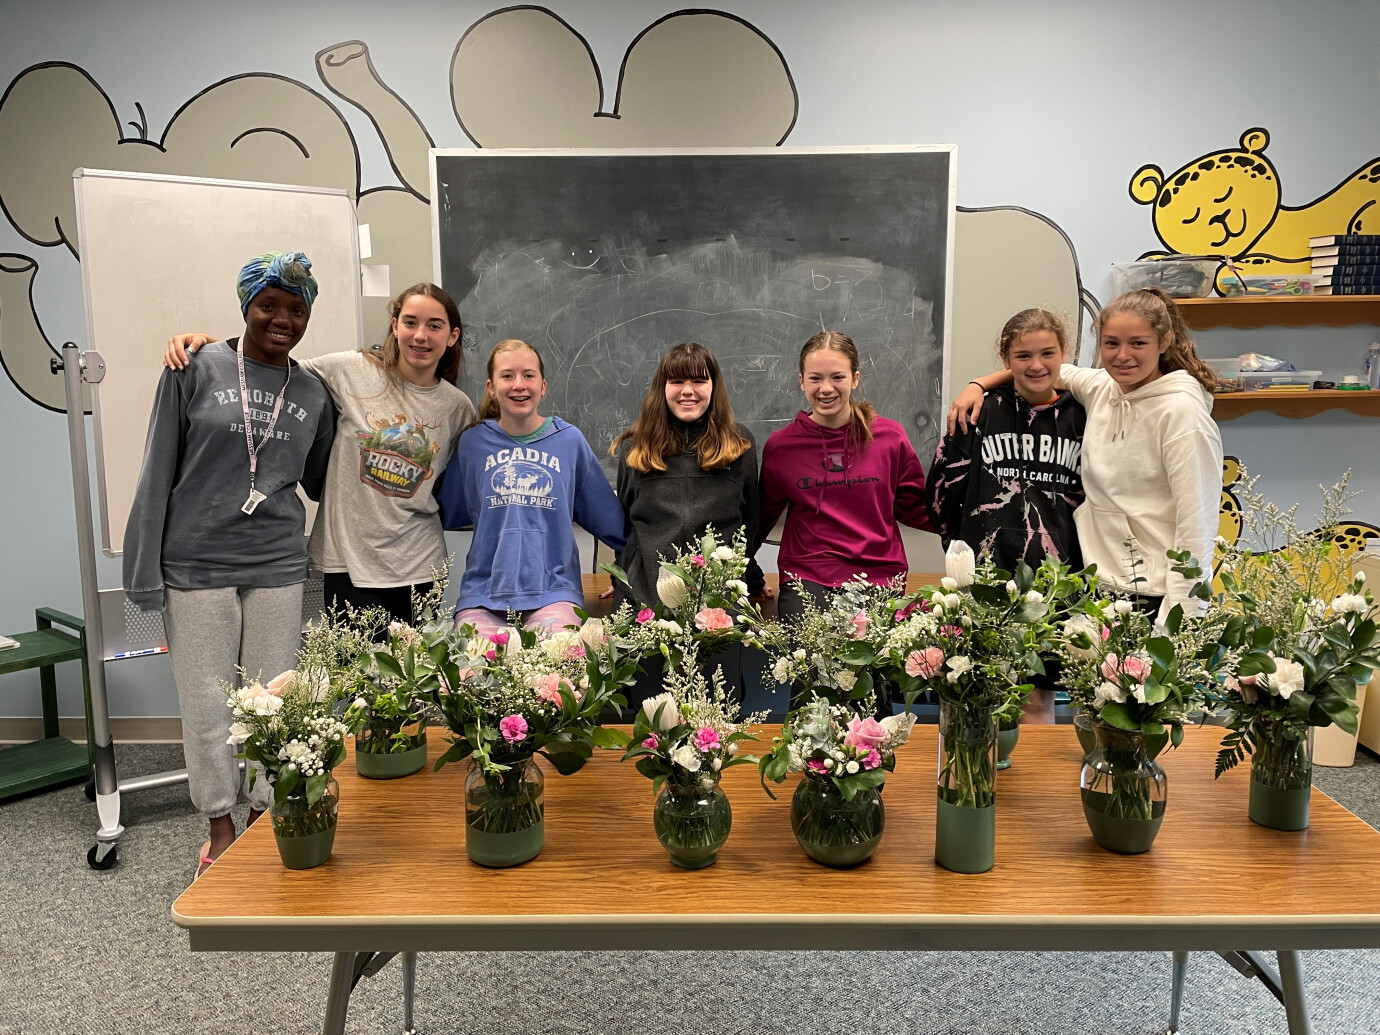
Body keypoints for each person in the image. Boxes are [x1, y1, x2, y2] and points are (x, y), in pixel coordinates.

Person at [125, 251, 336, 875]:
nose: (283, 319)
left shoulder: (314, 390)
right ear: (246, 304)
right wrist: (142, 573)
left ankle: (262, 817)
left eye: (297, 310)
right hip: (194, 564)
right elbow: (156, 467)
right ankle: (219, 824)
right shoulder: (195, 366)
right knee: (209, 703)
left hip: (276, 562)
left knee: (275, 701)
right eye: (269, 305)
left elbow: (323, 479)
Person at [164, 284, 476, 625]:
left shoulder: (458, 408)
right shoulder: (349, 369)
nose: (420, 335)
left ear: (451, 336)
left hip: (421, 563)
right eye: (411, 322)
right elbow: (269, 367)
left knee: (419, 677)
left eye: (434, 325)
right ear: (394, 325)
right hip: (348, 562)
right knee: (357, 678)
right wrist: (216, 350)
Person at [948, 287, 1222, 629]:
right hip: (1099, 588)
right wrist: (977, 385)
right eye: (1111, 343)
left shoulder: (1183, 415)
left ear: (1164, 341)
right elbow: (1044, 370)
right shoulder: (1103, 388)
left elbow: (1197, 531)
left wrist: (1174, 628)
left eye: (1138, 343)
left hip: (1157, 595)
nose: (1122, 356)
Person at [756, 331, 937, 712]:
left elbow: (914, 506)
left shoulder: (889, 437)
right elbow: (759, 518)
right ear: (801, 380)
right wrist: (738, 575)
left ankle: (871, 767)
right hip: (809, 579)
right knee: (814, 693)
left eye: (837, 377)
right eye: (815, 378)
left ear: (855, 378)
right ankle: (814, 770)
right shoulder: (782, 446)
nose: (826, 388)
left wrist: (971, 530)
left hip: (878, 577)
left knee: (870, 692)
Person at [926, 308, 1086, 723]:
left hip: (1055, 585)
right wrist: (962, 554)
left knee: (1037, 702)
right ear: (1005, 359)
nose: (1036, 365)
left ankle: (1030, 790)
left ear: (1065, 352)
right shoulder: (978, 412)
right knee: (971, 692)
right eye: (1022, 356)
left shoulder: (1085, 414)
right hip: (986, 581)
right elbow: (943, 493)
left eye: (1047, 353)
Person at [608, 342, 769, 705]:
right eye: (676, 380)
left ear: (714, 386)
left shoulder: (739, 444)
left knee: (715, 715)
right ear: (661, 387)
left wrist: (752, 578)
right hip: (646, 597)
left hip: (717, 603)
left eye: (699, 380)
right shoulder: (637, 446)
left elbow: (749, 523)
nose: (687, 391)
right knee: (653, 716)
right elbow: (625, 523)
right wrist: (621, 575)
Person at [437, 338, 627, 637]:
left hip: (554, 594)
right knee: (474, 676)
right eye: (507, 375)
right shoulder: (472, 444)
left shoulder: (569, 441)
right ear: (490, 387)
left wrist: (626, 573)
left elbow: (610, 520)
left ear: (543, 386)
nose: (519, 384)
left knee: (555, 674)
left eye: (528, 375)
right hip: (483, 595)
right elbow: (444, 512)